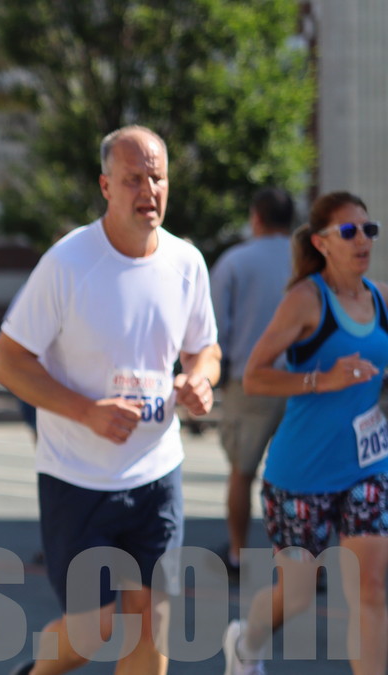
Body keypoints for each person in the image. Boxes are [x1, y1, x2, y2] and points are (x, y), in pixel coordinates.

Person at [0, 125, 219, 675]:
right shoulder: (68, 262)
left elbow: (204, 348)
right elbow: (7, 363)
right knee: (92, 632)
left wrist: (200, 379)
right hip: (78, 477)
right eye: (133, 179)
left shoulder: (186, 262)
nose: (148, 190)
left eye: (157, 178)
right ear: (106, 186)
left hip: (157, 471)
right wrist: (86, 412)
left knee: (152, 620)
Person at [223, 191, 388, 675]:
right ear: (321, 242)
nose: (362, 240)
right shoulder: (305, 300)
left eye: (369, 230)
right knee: (296, 595)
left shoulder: (382, 298)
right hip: (301, 474)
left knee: (371, 589)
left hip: (367, 467)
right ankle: (246, 643)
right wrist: (322, 380)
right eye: (349, 231)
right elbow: (255, 377)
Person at [210, 188, 294, 578]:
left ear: (256, 217)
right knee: (300, 478)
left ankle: (238, 554)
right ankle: (305, 563)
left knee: (242, 472)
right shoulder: (309, 260)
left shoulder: (235, 261)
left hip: (250, 381)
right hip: (301, 382)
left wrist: (218, 375)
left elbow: (216, 327)